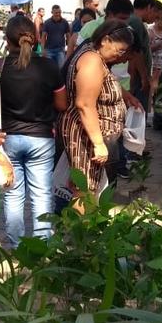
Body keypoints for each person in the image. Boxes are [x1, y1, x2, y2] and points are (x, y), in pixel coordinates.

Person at [0, 16, 67, 248]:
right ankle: (42, 245)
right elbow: (61, 104)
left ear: (7, 40)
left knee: (13, 193)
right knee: (42, 193)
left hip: (7, 137)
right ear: (36, 38)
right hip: (41, 138)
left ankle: (16, 246)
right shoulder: (49, 66)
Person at [58, 19, 135, 200]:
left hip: (91, 135)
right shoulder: (92, 60)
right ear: (105, 40)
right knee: (84, 190)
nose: (121, 56)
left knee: (89, 188)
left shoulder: (96, 56)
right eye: (120, 50)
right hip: (84, 137)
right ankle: (82, 219)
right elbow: (85, 104)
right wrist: (99, 143)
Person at [148, 8, 162, 109]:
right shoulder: (150, 31)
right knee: (150, 87)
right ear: (157, 19)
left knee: (157, 87)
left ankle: (155, 108)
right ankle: (148, 109)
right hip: (151, 64)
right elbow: (146, 50)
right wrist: (158, 45)